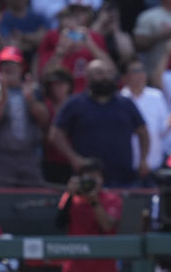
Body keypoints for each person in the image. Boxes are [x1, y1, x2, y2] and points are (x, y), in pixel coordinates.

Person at [50, 59, 149, 187]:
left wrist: (143, 160)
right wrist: (73, 158)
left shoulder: (126, 104)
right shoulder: (75, 104)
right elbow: (56, 134)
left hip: (123, 178)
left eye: (108, 73)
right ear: (88, 76)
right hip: (87, 177)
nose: (105, 77)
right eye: (99, 73)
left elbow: (143, 131)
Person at [0, 46, 49, 186]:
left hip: (30, 156)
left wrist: (31, 100)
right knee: (2, 198)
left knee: (32, 199)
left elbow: (44, 120)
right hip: (2, 158)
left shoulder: (34, 89)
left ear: (21, 68)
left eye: (14, 64)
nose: (10, 68)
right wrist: (3, 96)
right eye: (5, 65)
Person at [120, 57, 169, 184]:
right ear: (125, 77)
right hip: (128, 165)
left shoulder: (156, 96)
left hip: (154, 163)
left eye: (142, 70)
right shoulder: (119, 99)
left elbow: (162, 130)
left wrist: (170, 124)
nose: (141, 74)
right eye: (135, 71)